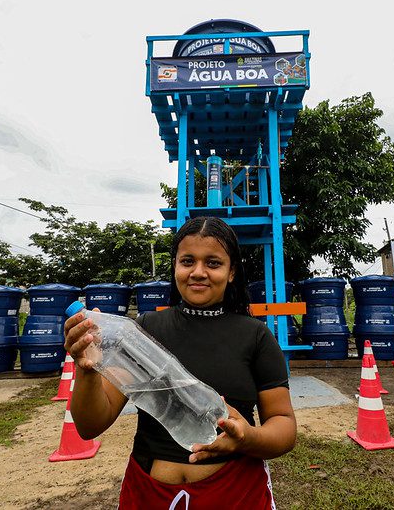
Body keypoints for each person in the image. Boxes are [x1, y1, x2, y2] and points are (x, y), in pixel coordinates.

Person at [64, 216, 296, 508]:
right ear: (175, 266)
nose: (198, 272)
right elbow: (89, 426)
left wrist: (247, 437)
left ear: (232, 271)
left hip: (236, 493)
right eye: (188, 261)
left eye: (213, 263)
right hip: (148, 493)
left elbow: (284, 425)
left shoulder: (256, 336)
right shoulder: (144, 330)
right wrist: (87, 371)